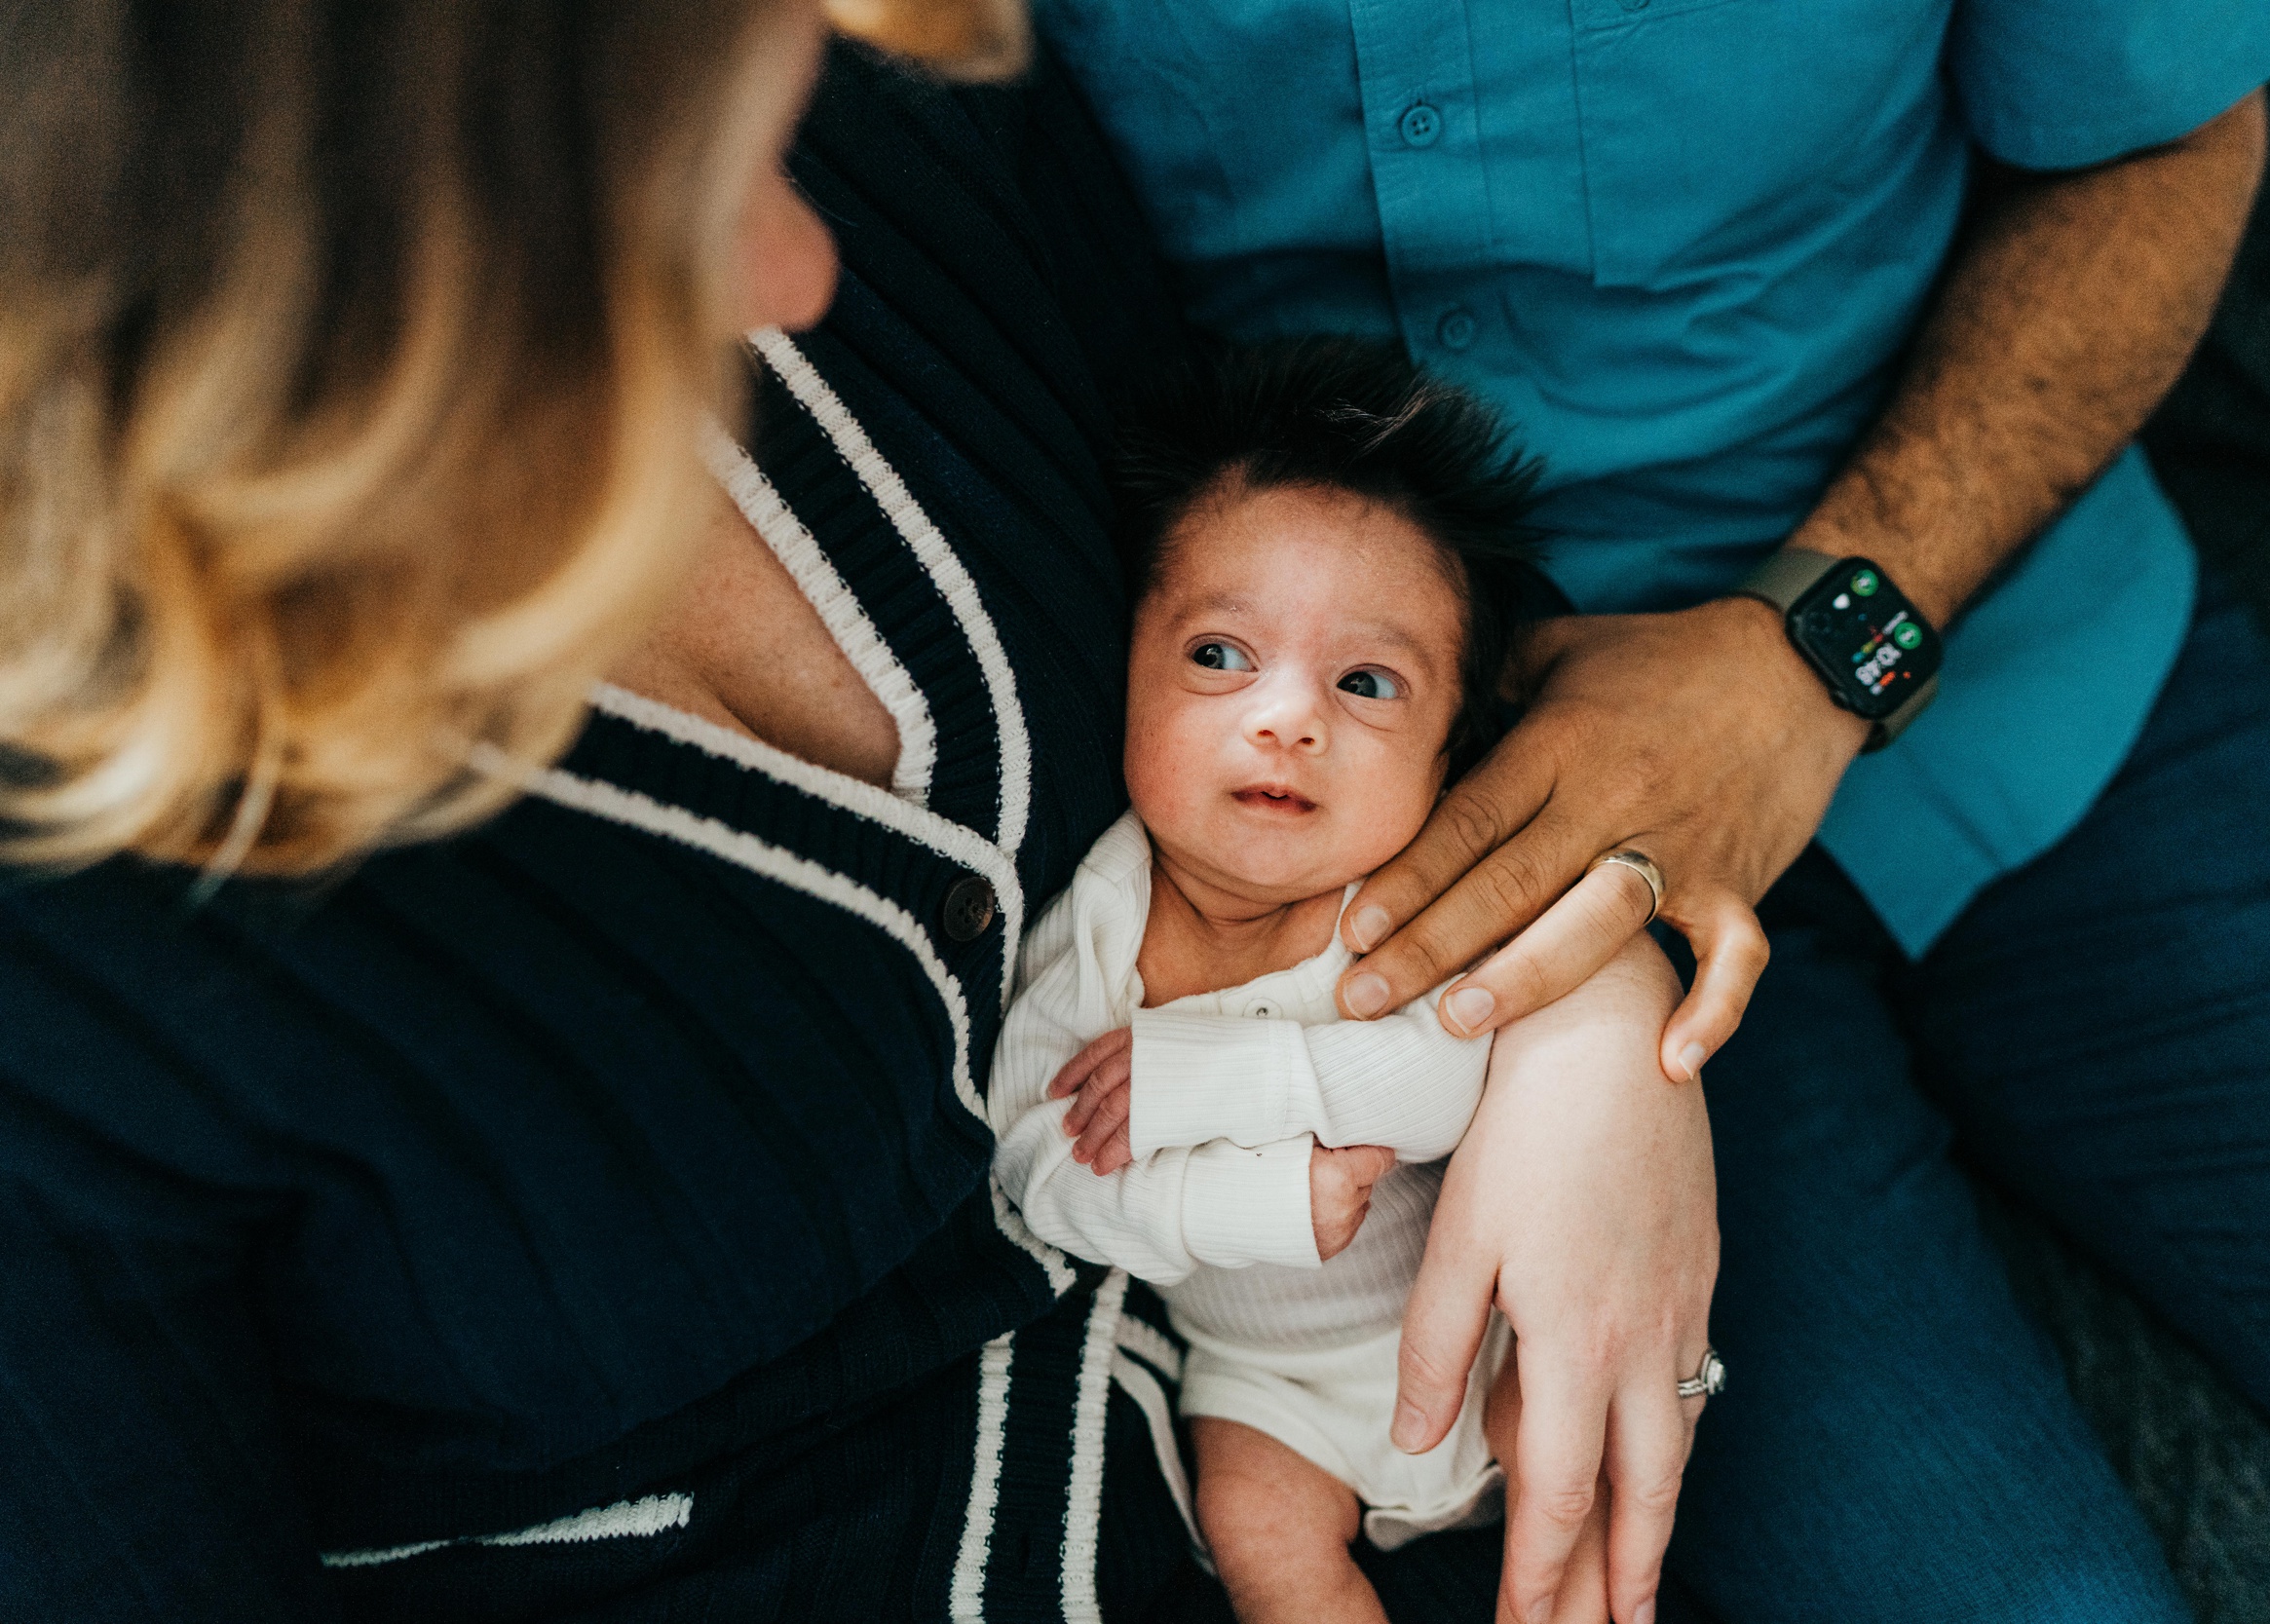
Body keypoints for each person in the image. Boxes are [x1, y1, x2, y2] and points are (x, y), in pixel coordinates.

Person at [0, 8, 1710, 1620]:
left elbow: (1331, 586)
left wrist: (1574, 1008)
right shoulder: (69, 986)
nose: (803, 269)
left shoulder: (860, 78)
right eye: (677, 187)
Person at [1029, 1, 2270, 1619]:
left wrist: (1811, 660)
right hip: (1429, 833)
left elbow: (2174, 136)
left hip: (2036, 663)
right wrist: (1574, 1008)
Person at [990, 340, 1689, 1624]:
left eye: (1367, 683)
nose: (1286, 718)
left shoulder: (1401, 900)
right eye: (1218, 656)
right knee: (1259, 1534)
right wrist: (1254, 1202)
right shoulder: (1092, 925)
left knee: (1576, 1447)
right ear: (1124, 666)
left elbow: (1434, 1080)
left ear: (1447, 751)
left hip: (1485, 1325)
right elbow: (1039, 1167)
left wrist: (1203, 1078)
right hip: (1265, 1385)